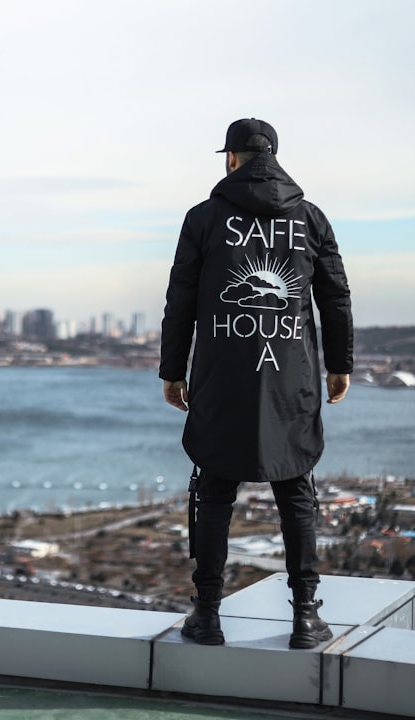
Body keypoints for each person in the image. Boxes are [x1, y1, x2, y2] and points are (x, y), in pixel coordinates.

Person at [159, 118, 353, 649]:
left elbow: (181, 299)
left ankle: (207, 614)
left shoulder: (203, 218)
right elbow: (335, 296)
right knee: (296, 488)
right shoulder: (310, 218)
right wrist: (340, 364)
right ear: (275, 158)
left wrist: (172, 370)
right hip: (291, 376)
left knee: (215, 486)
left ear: (231, 158)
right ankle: (306, 617)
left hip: (222, 374)